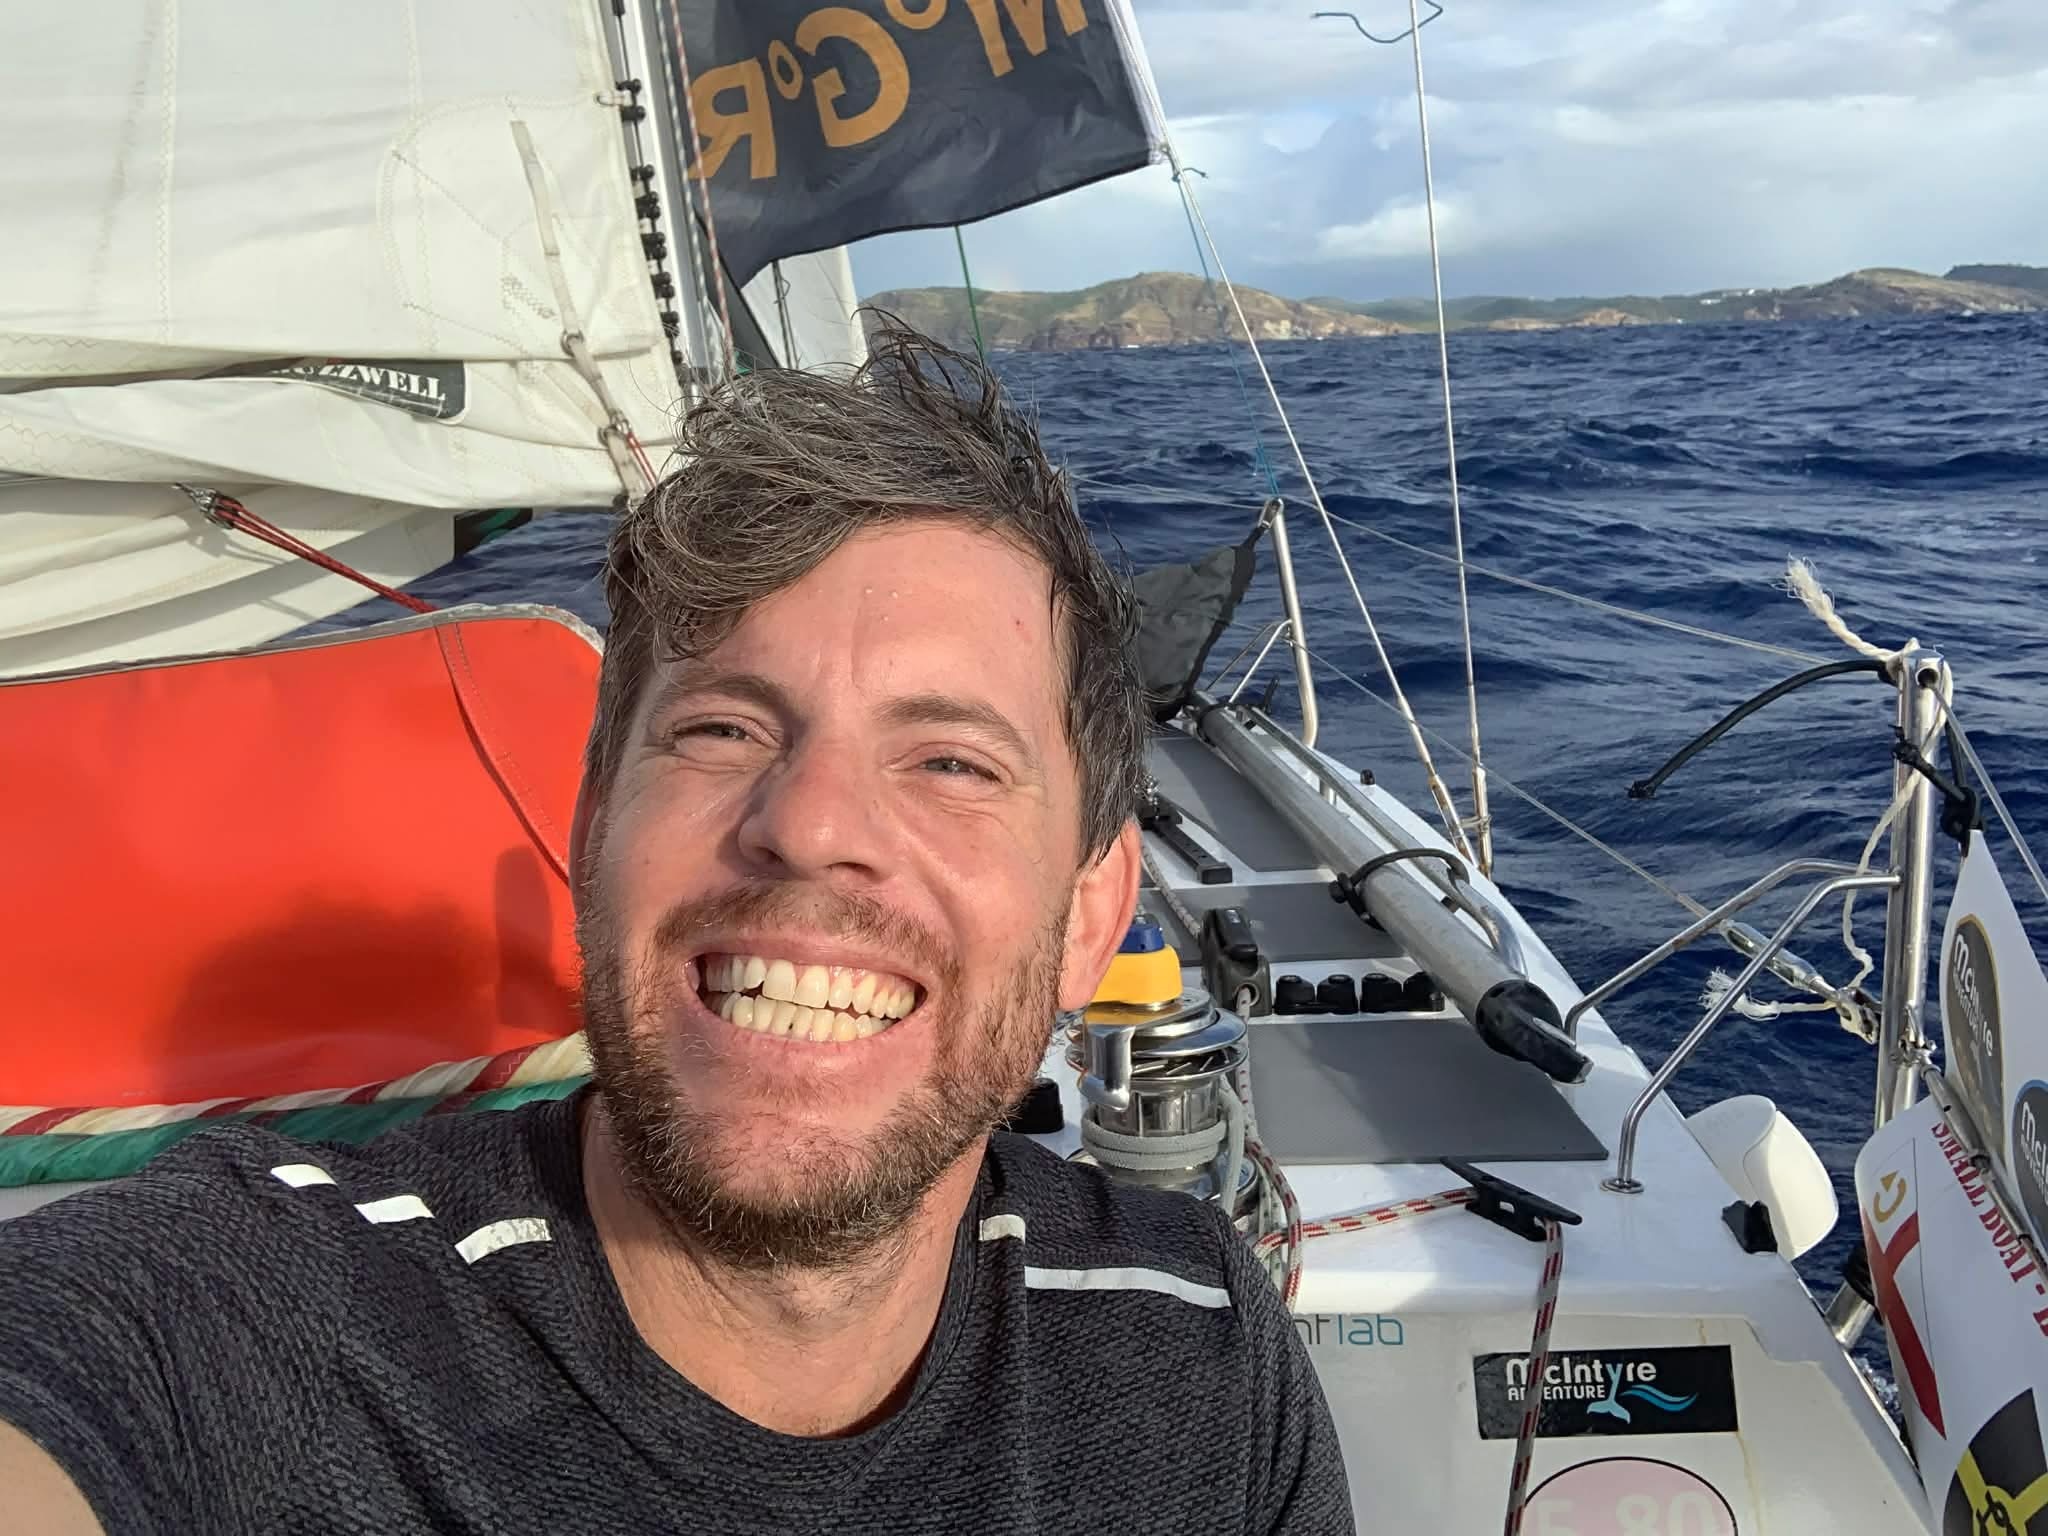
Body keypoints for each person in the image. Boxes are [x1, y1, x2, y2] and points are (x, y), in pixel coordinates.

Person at [0, 324, 1353, 1534]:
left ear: (1090, 913)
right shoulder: (238, 1317)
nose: (813, 823)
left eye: (950, 761)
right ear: (590, 835)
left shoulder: (1194, 1350)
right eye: (722, 729)